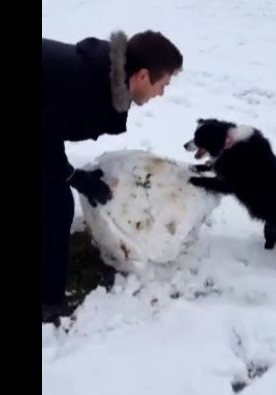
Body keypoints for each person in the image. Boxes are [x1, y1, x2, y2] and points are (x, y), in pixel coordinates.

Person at [41, 30, 183, 324]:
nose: (162, 93)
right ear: (143, 76)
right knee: (56, 207)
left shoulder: (102, 75)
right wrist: (73, 177)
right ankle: (49, 303)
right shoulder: (89, 91)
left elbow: (49, 127)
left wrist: (71, 175)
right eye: (163, 84)